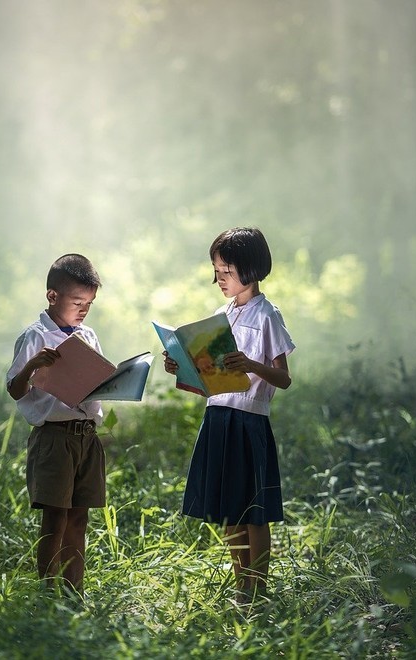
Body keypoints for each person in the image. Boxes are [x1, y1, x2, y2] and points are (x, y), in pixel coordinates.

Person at [163, 227, 294, 603]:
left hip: (249, 419)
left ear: (250, 269)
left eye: (225, 272)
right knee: (230, 509)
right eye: (216, 272)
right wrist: (182, 366)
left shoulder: (268, 315)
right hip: (218, 416)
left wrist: (252, 363)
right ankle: (242, 586)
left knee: (255, 509)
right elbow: (207, 376)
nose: (217, 279)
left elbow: (283, 378)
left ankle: (260, 588)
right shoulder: (221, 316)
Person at [6, 253, 106, 596]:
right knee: (55, 520)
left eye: (89, 303)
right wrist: (33, 365)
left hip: (86, 437)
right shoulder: (34, 336)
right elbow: (14, 389)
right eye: (78, 301)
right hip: (54, 438)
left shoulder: (88, 335)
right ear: (53, 296)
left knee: (79, 518)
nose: (83, 310)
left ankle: (73, 591)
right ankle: (49, 593)